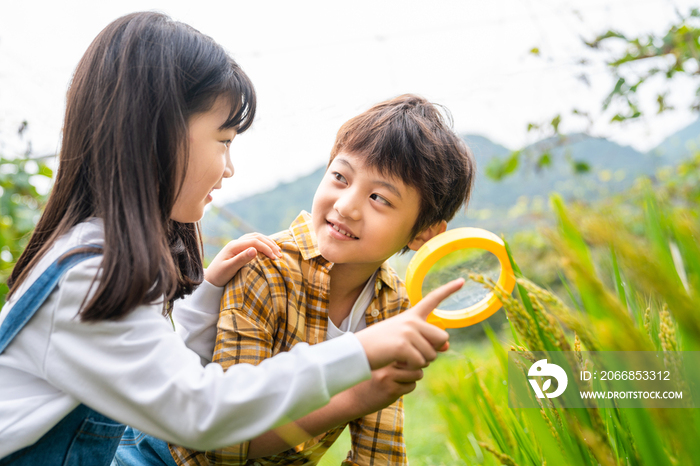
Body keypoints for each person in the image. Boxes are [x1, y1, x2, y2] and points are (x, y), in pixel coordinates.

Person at [0, 13, 462, 465]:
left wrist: (205, 297)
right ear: (156, 134)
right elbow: (204, 413)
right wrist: (360, 352)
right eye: (223, 141)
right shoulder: (89, 275)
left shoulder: (102, 261)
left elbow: (157, 370)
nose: (229, 167)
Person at [162, 94, 475, 465]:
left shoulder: (393, 305)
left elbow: (380, 451)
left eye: (379, 198)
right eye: (340, 177)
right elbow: (221, 445)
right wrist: (357, 397)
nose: (346, 206)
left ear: (422, 234)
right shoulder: (265, 270)